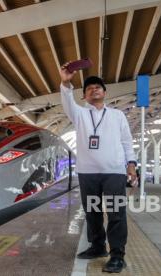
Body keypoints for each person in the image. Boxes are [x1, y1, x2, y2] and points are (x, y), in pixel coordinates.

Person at [59, 63, 137, 273]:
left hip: (114, 172)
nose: (94, 89)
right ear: (84, 96)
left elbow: (127, 142)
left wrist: (131, 164)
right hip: (87, 172)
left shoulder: (117, 115)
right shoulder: (79, 114)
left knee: (116, 213)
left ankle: (117, 255)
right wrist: (66, 82)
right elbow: (67, 101)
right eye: (89, 88)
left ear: (105, 92)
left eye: (98, 87)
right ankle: (97, 247)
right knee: (92, 212)